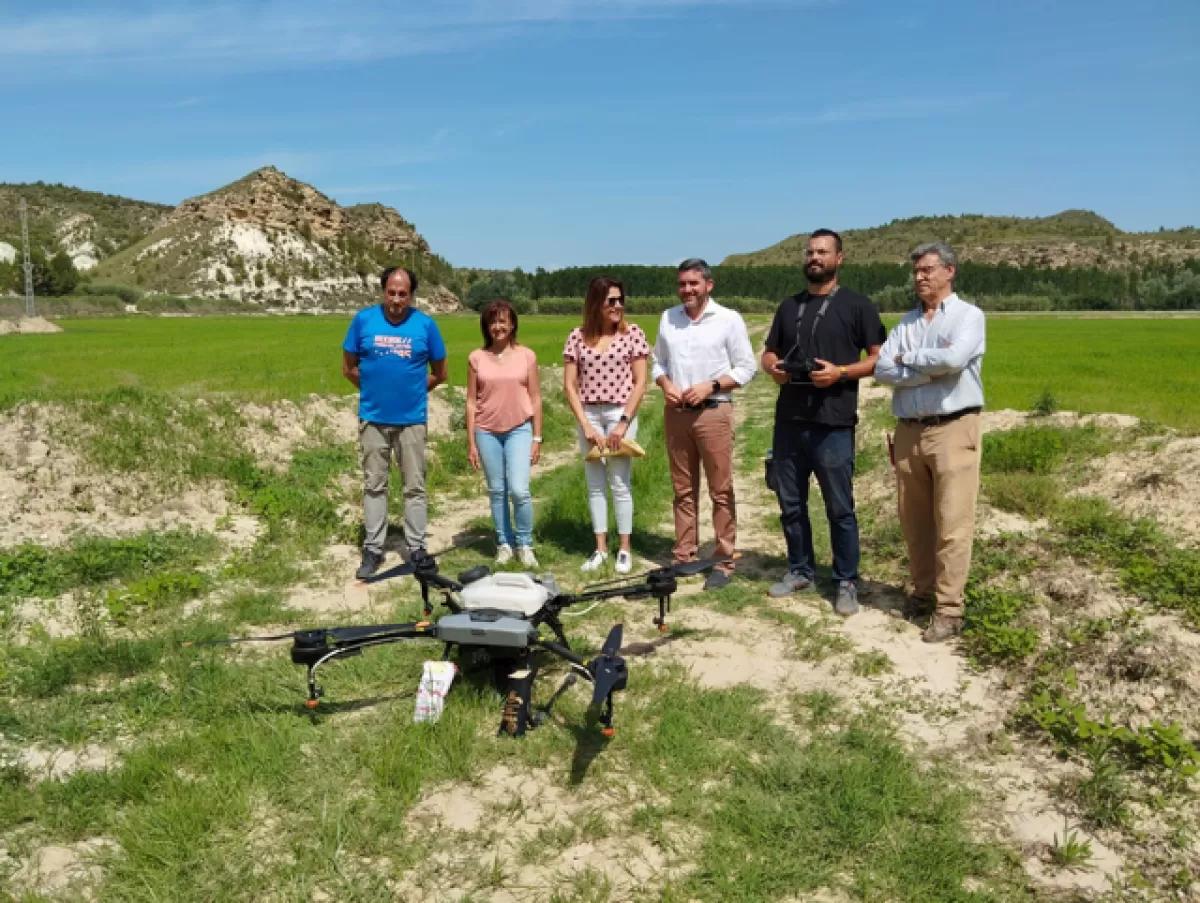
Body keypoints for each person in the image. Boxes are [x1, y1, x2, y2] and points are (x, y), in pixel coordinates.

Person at [761, 229, 885, 616]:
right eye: (810, 252)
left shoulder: (857, 305)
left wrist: (840, 373)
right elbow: (769, 352)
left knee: (840, 508)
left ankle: (846, 580)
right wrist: (774, 369)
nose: (814, 258)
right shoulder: (789, 306)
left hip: (834, 423)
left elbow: (879, 358)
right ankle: (800, 569)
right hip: (790, 421)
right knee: (791, 504)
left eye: (823, 252)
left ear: (839, 259)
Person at [874, 241, 986, 643]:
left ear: (949, 271)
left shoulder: (969, 316)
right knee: (914, 521)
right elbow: (882, 368)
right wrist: (926, 365)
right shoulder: (906, 322)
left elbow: (954, 360)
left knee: (953, 522)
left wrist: (908, 359)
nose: (920, 277)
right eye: (916, 271)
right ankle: (922, 594)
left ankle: (949, 610)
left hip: (953, 428)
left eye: (928, 270)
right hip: (909, 431)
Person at [651, 258, 757, 589]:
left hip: (714, 411)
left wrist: (711, 385)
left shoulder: (728, 319)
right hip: (676, 413)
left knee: (720, 489)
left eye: (693, 283)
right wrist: (665, 384)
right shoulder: (668, 318)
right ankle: (684, 555)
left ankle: (723, 559)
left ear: (708, 285)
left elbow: (747, 367)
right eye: (682, 284)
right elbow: (657, 361)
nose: (687, 290)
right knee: (682, 490)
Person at [342, 266, 447, 580]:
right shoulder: (363, 321)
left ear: (411, 295)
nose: (397, 300)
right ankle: (373, 549)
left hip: (412, 421)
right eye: (391, 292)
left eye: (403, 294)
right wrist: (374, 391)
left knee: (414, 486)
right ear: (383, 292)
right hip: (373, 419)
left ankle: (417, 549)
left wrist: (412, 393)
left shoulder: (425, 325)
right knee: (374, 486)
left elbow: (440, 373)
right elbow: (348, 368)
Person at [563, 276, 651, 574]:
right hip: (589, 414)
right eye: (611, 300)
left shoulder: (633, 334)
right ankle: (600, 548)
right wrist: (585, 424)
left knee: (620, 482)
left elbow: (640, 382)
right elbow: (569, 385)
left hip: (619, 414)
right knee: (595, 484)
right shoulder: (576, 337)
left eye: (620, 300)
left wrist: (623, 424)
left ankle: (624, 549)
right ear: (595, 303)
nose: (617, 305)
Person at [466, 299, 543, 568]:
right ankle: (504, 543)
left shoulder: (527, 356)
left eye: (502, 321)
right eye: (492, 322)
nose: (497, 327)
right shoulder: (476, 358)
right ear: (486, 326)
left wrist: (537, 436)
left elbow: (535, 397)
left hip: (519, 428)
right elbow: (471, 401)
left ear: (512, 325)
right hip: (486, 431)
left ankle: (525, 543)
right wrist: (471, 442)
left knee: (519, 490)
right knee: (497, 490)